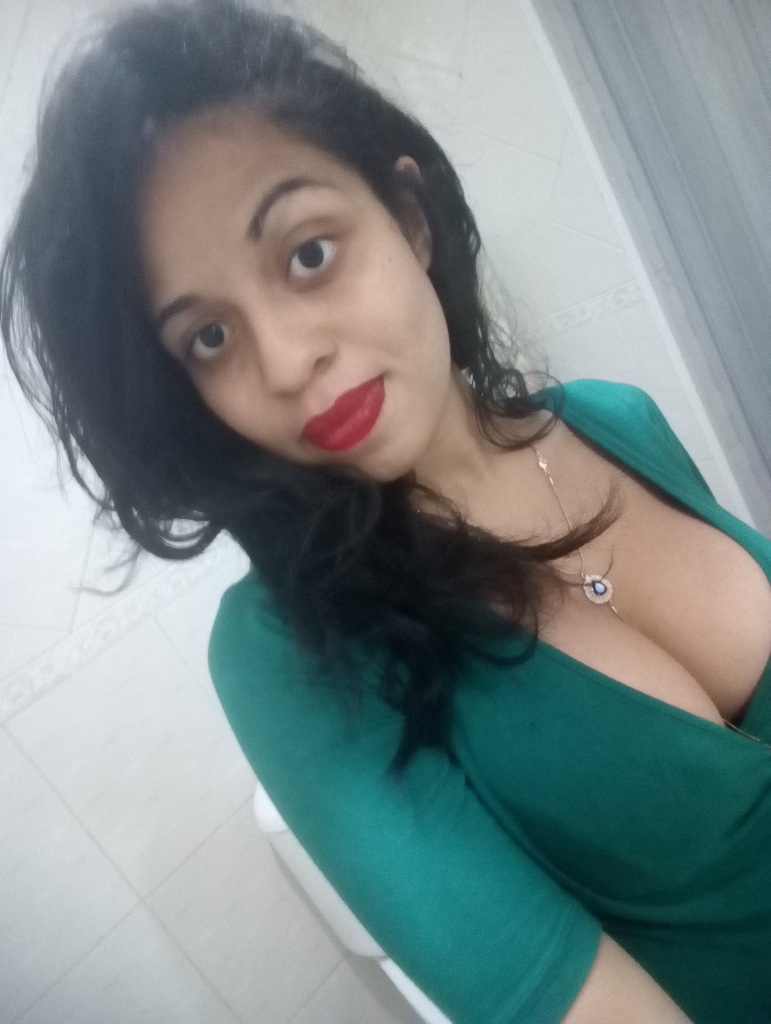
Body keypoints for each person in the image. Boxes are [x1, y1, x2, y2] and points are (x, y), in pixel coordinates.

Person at [1, 1, 770, 1020]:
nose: (286, 361)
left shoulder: (615, 418)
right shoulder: (293, 653)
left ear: (409, 219)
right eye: (208, 339)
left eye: (306, 254)